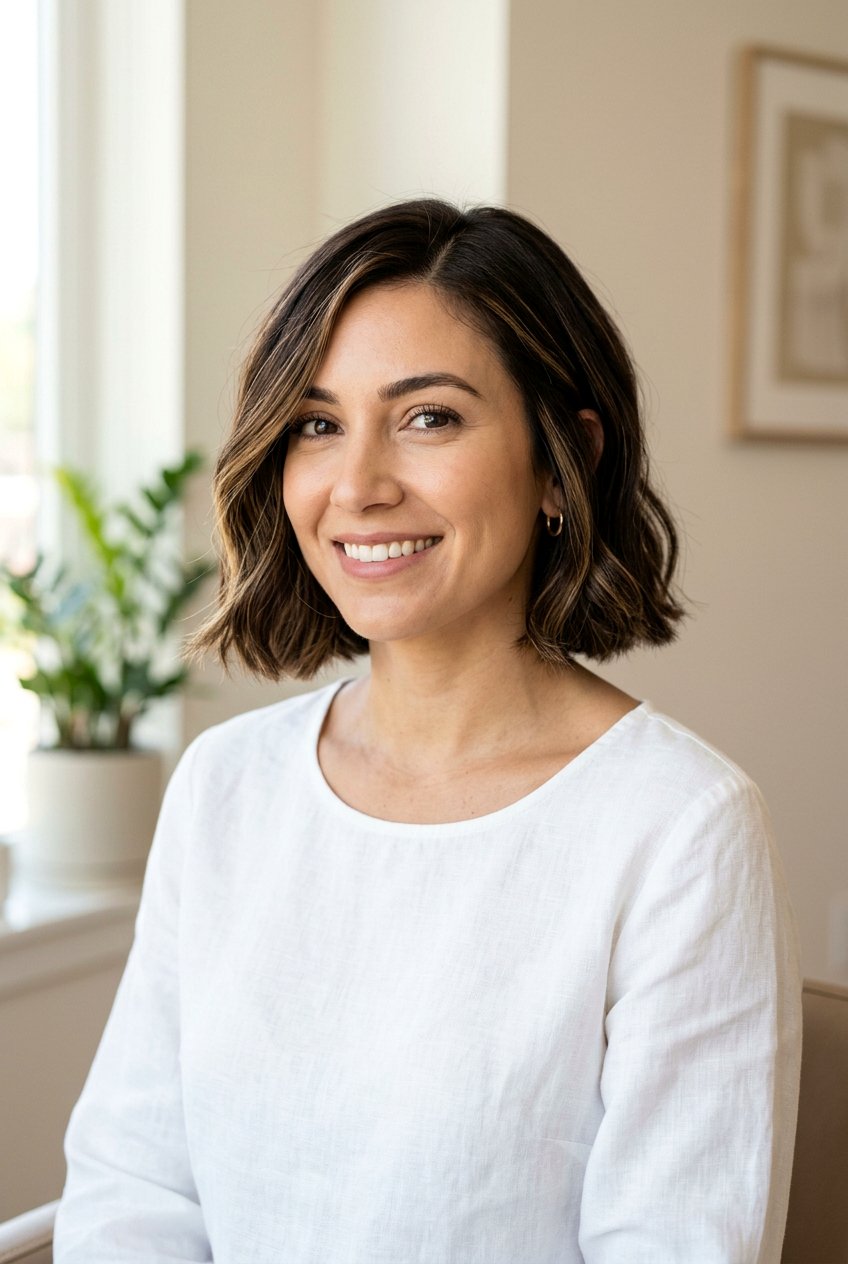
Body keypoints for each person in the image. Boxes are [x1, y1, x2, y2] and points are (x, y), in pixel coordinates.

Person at [54, 200, 802, 1263]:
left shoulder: (679, 829)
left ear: (561, 461)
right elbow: (133, 1187)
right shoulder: (225, 784)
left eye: (428, 417)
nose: (357, 484)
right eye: (317, 423)